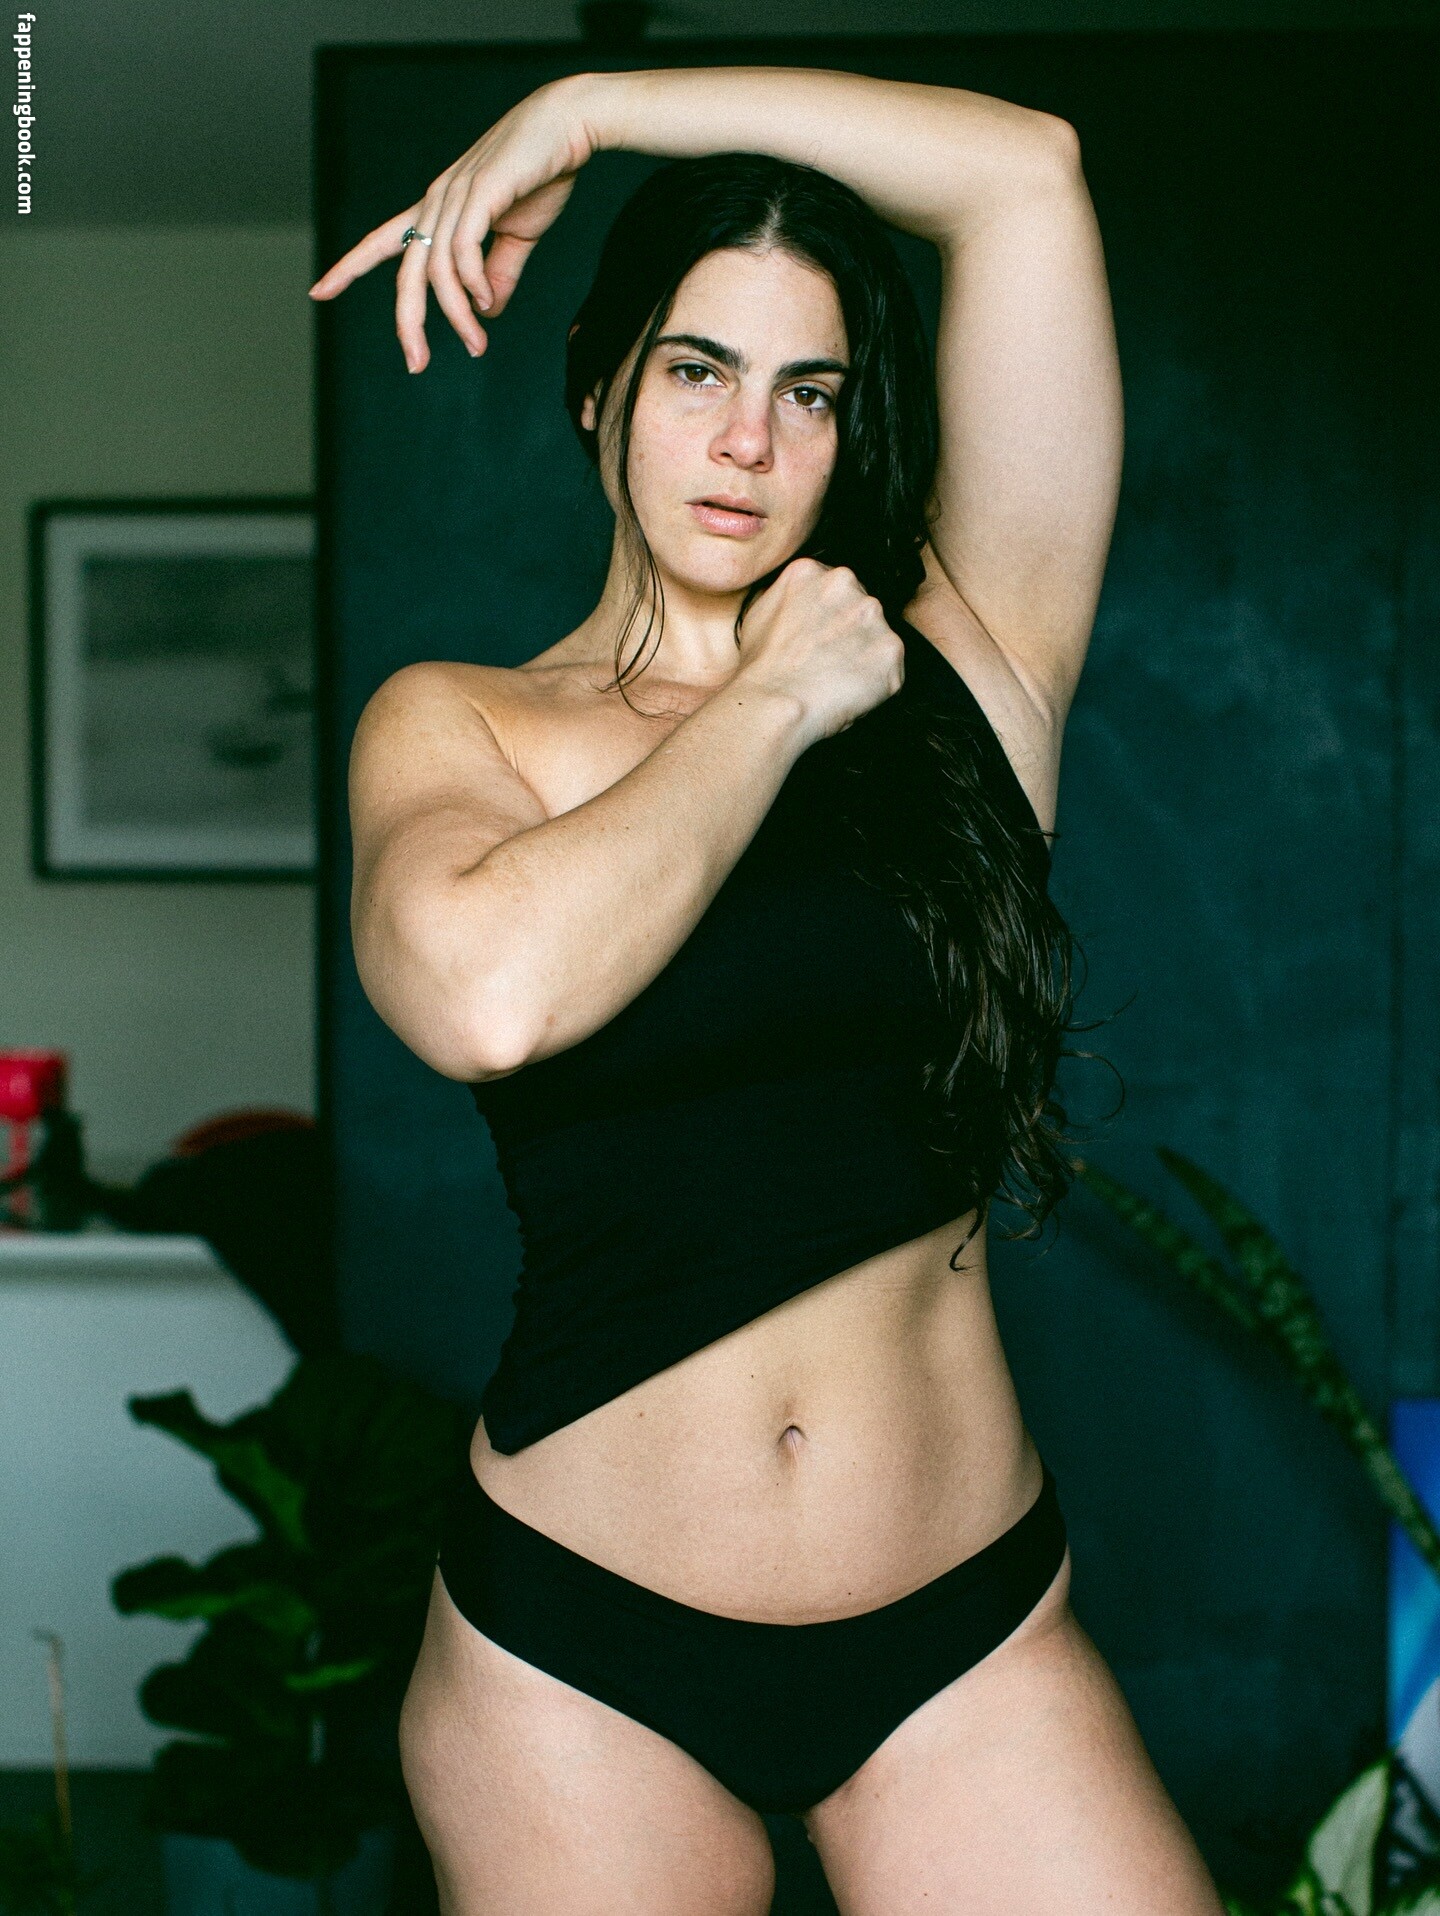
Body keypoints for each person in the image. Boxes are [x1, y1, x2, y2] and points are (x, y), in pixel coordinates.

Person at [311, 65, 1225, 1916]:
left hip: (964, 1633)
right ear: (598, 392)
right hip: (580, 1659)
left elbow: (1025, 173)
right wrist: (775, 697)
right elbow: (485, 998)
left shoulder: (972, 667)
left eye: (809, 391)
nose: (747, 441)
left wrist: (588, 110)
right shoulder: (466, 724)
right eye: (696, 371)